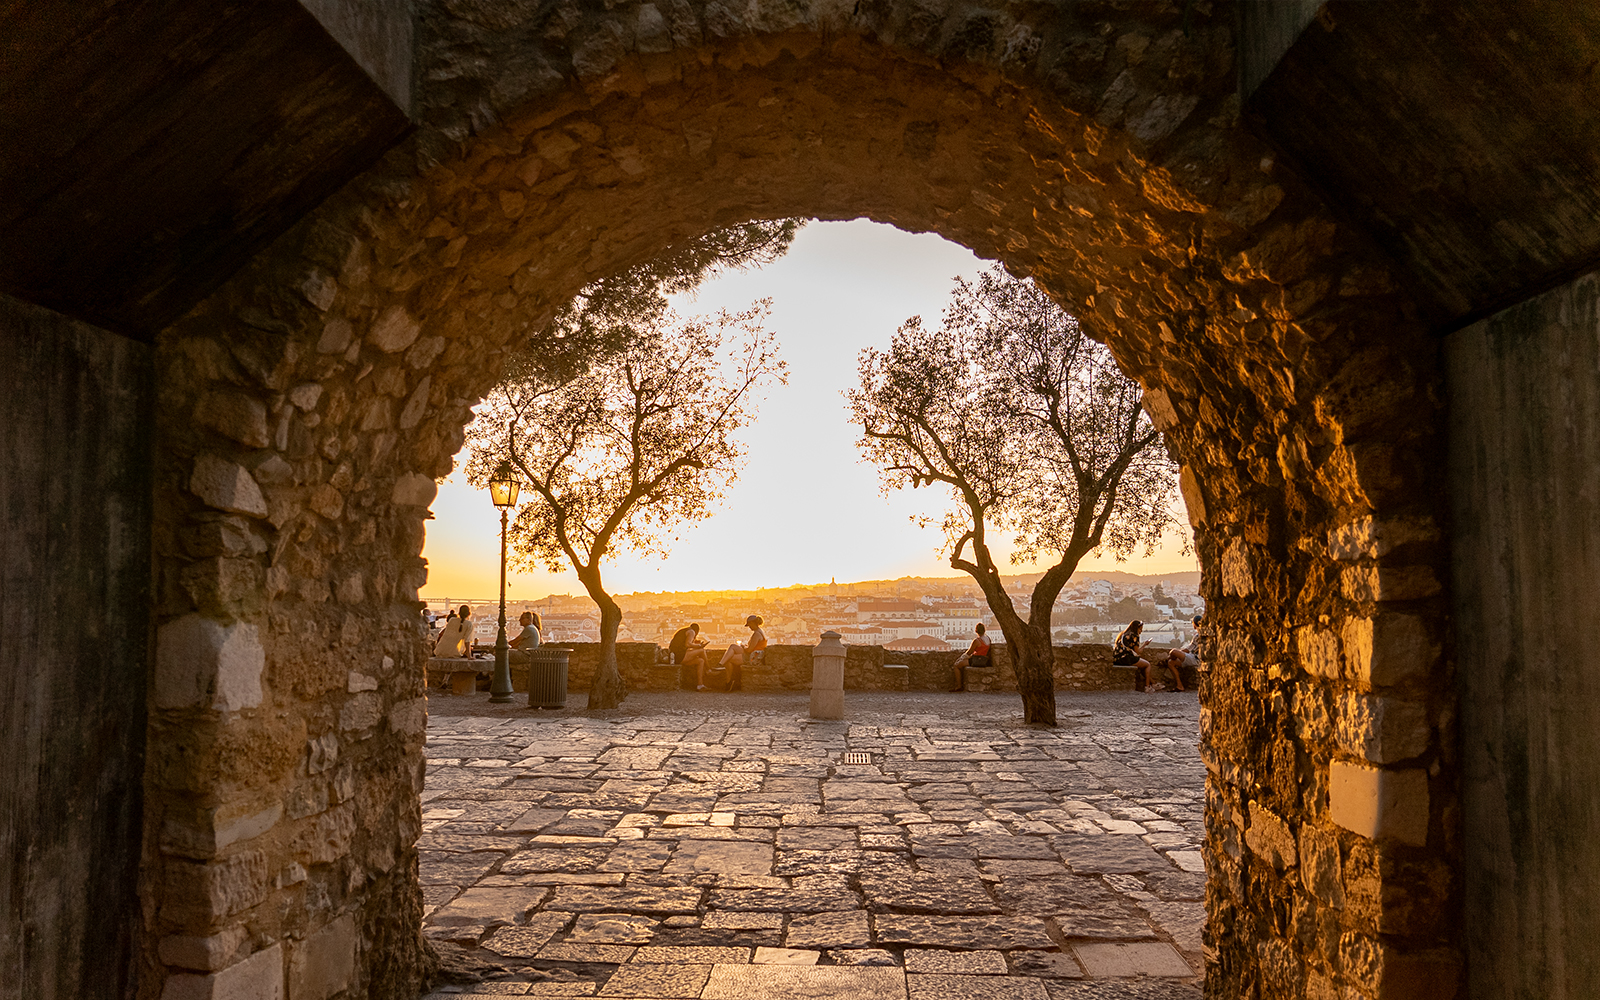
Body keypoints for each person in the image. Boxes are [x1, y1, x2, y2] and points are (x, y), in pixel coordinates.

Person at [718, 615, 767, 691]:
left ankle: (728, 680)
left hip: (751, 657)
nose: (749, 627)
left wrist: (744, 647)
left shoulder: (756, 634)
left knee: (729, 659)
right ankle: (723, 668)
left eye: (749, 625)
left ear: (753, 623)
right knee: (732, 646)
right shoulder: (760, 631)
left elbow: (749, 650)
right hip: (753, 654)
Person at [1160, 614, 1206, 693]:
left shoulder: (1198, 635)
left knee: (1173, 651)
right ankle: (1179, 686)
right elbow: (1188, 649)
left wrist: (1177, 653)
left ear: (1194, 624)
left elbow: (1187, 650)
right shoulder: (1202, 634)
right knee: (1171, 663)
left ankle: (1167, 658)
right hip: (1193, 658)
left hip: (1195, 659)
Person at [1113, 619, 1155, 691]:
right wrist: (1145, 644)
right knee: (1147, 665)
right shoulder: (1134, 636)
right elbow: (1138, 652)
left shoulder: (1123, 634)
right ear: (1137, 628)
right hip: (1126, 658)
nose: (1141, 631)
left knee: (1142, 663)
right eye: (1140, 629)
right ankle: (1147, 687)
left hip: (1117, 658)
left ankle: (1153, 683)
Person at [669, 623, 712, 690]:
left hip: (674, 657)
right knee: (701, 651)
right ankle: (709, 669)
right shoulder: (691, 632)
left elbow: (685, 646)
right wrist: (699, 646)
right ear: (697, 631)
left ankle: (700, 685)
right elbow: (688, 644)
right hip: (679, 656)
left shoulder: (685, 631)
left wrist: (695, 645)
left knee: (700, 661)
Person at [950, 623, 991, 691]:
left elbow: (969, 652)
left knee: (956, 666)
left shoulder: (977, 641)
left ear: (976, 631)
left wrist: (961, 658)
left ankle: (959, 686)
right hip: (984, 660)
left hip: (976, 660)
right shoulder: (988, 639)